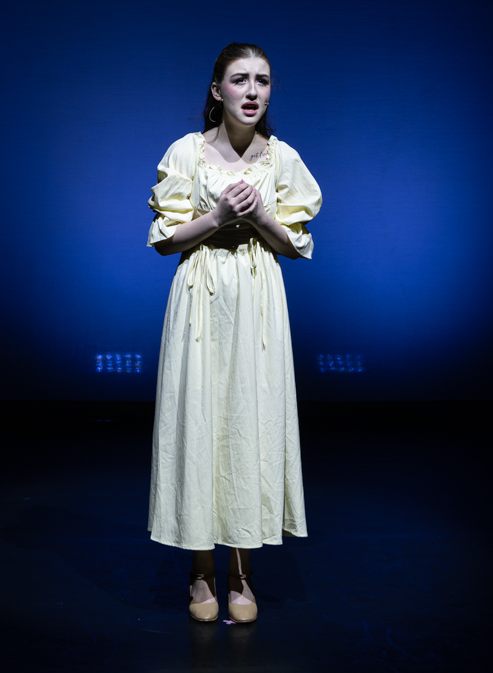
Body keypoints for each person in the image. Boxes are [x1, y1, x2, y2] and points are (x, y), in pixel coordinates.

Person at [146, 43, 321, 623]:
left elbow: (296, 246)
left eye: (263, 81)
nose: (252, 91)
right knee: (200, 418)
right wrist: (218, 217)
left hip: (256, 302)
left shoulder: (282, 158)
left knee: (249, 420)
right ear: (216, 89)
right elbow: (164, 238)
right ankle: (200, 568)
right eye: (240, 80)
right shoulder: (186, 153)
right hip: (200, 299)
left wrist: (260, 217)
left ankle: (242, 568)